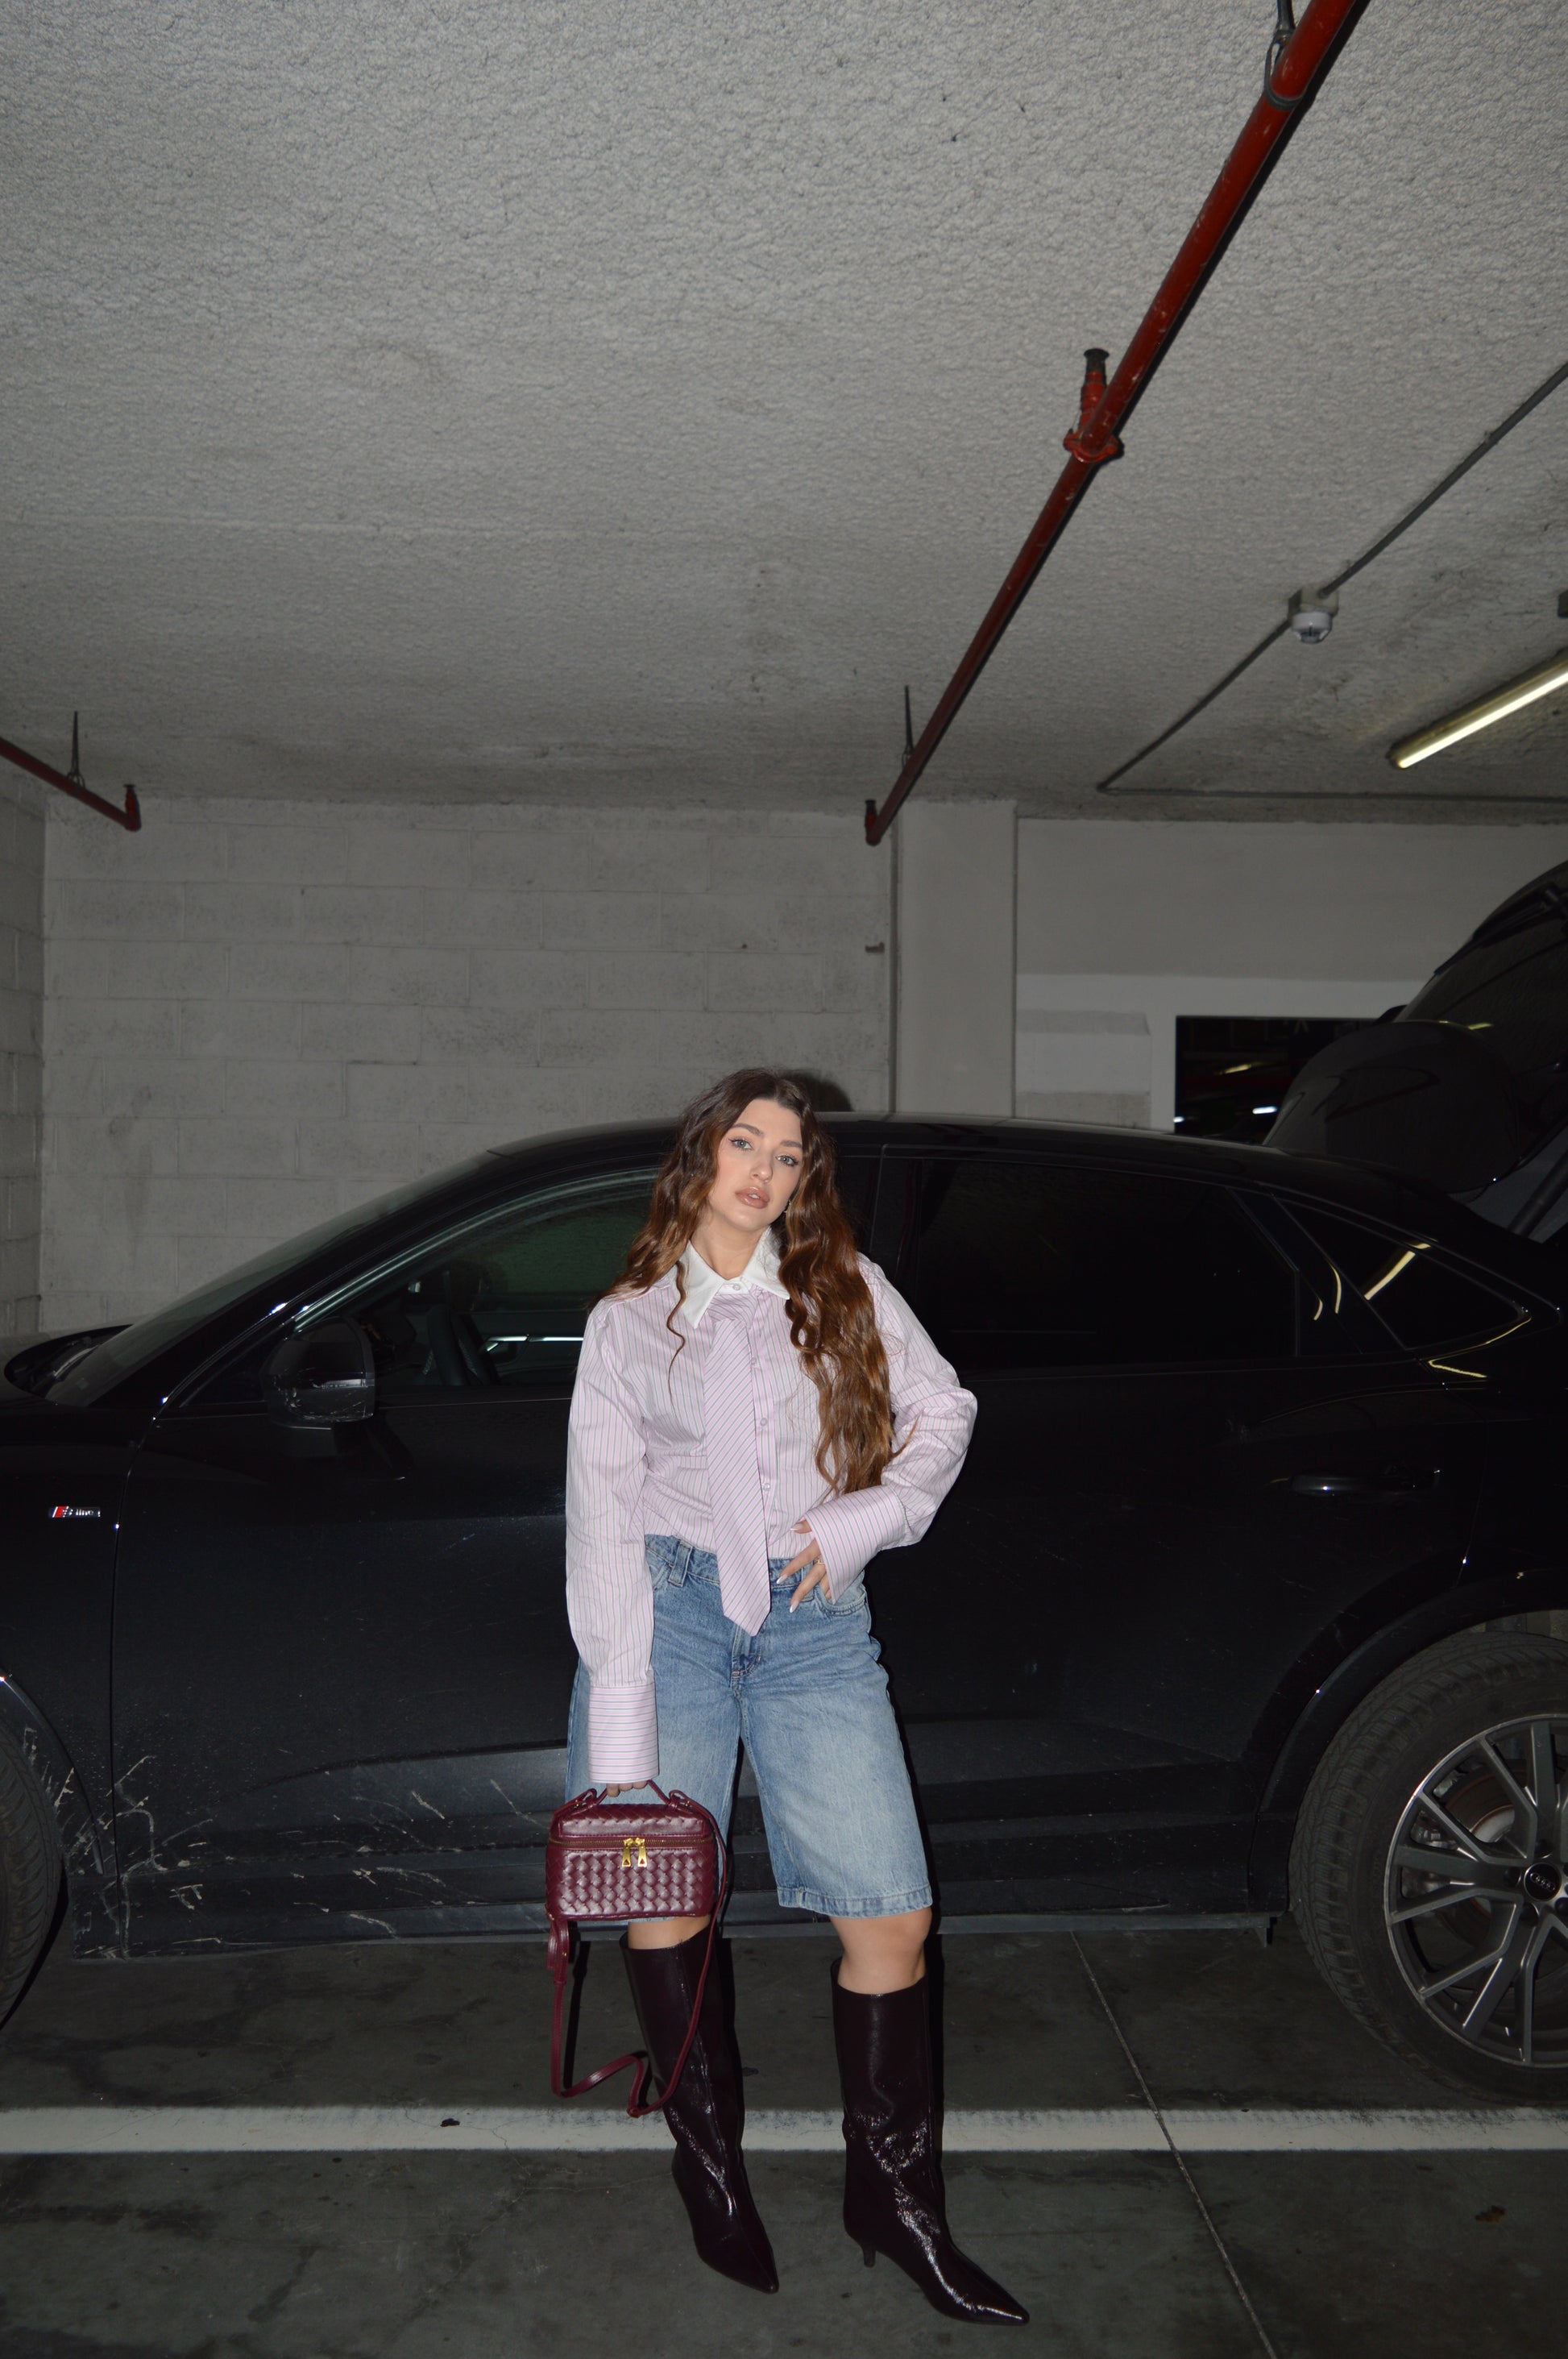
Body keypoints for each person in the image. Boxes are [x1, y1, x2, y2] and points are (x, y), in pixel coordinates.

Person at [564, 1067, 1027, 2324]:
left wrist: (872, 1514)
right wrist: (621, 1726)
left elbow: (943, 1409)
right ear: (698, 1158)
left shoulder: (844, 1289)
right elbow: (600, 1522)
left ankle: (895, 2200)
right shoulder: (629, 1324)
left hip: (813, 1619)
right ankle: (710, 2171)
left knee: (893, 1920)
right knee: (665, 1906)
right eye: (743, 1143)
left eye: (787, 1155)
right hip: (666, 1616)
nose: (763, 1172)